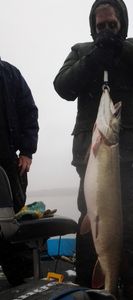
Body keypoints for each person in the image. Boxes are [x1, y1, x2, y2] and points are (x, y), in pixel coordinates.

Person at [54, 0, 133, 299]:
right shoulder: (81, 51)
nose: (105, 30)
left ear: (122, 24)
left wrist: (119, 47)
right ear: (93, 26)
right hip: (91, 156)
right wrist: (95, 56)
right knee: (88, 216)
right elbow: (62, 86)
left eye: (111, 26)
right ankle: (91, 283)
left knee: (131, 219)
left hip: (130, 155)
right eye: (100, 26)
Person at [0, 58, 39, 285]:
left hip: (9, 163)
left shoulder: (10, 73)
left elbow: (29, 111)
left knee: (13, 224)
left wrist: (27, 151)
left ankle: (22, 281)